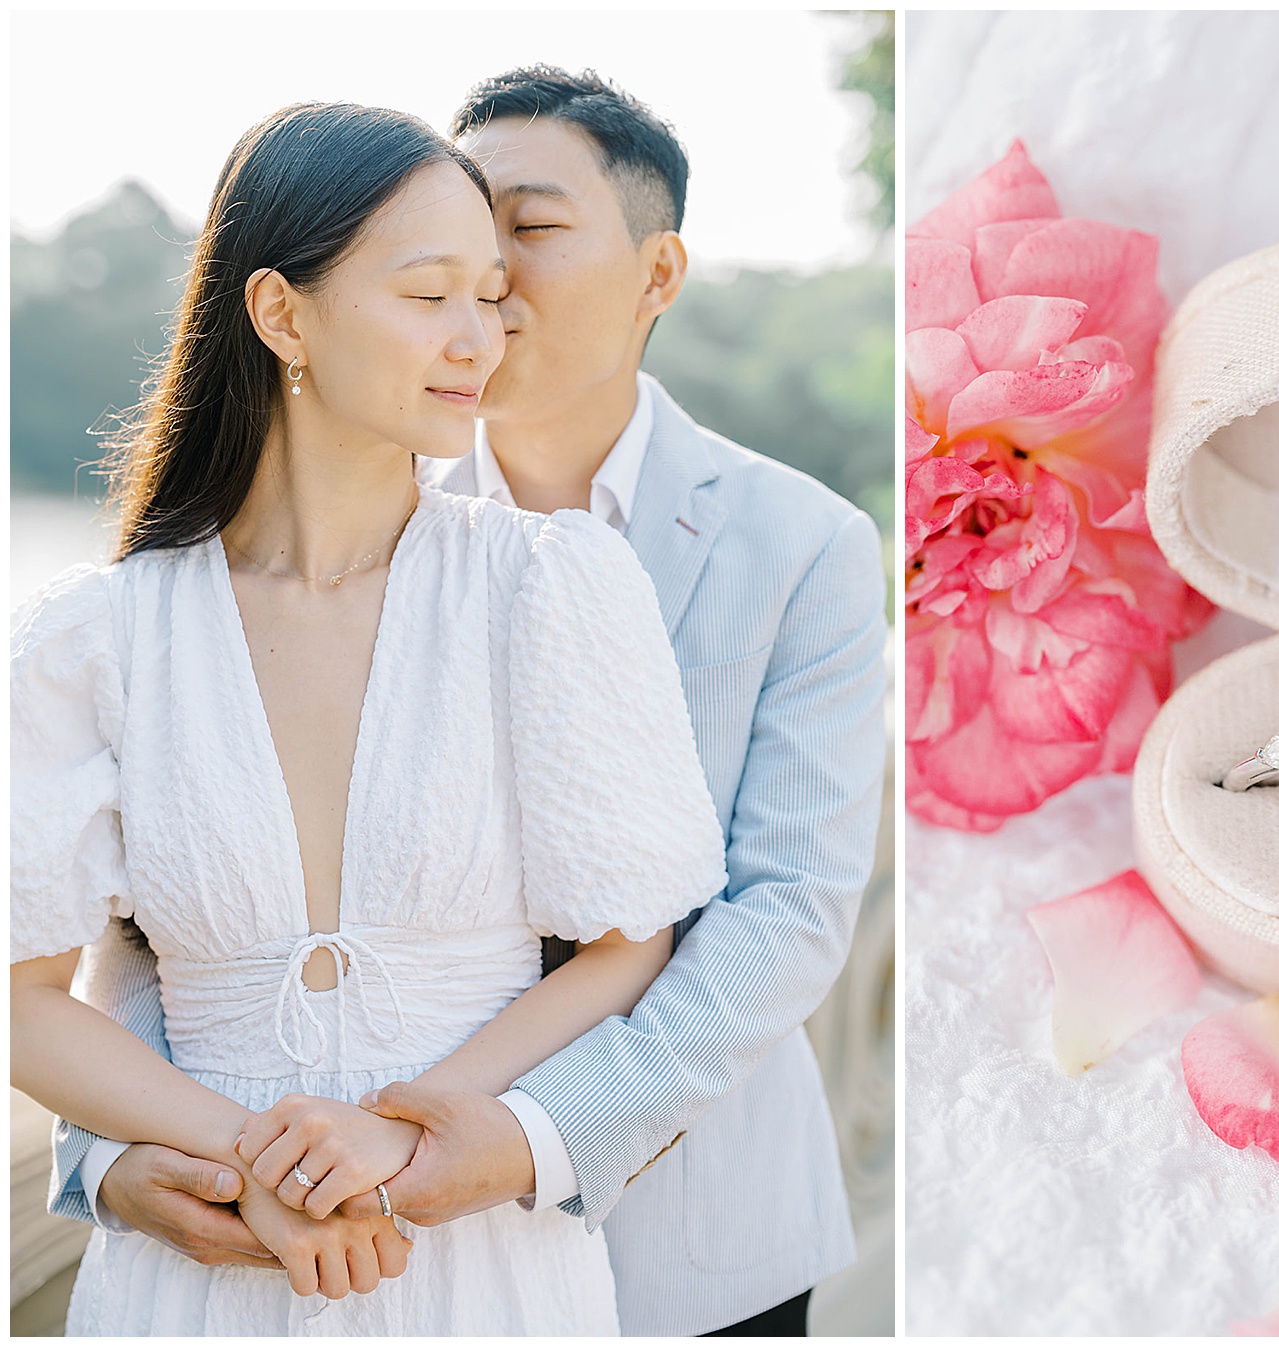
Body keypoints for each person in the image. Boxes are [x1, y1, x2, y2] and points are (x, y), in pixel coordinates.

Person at [45, 69, 890, 1337]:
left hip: (676, 1213)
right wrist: (118, 1155)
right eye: (446, 266)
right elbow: (161, 923)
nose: (489, 299)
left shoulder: (790, 542)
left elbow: (786, 911)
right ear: (288, 312)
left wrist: (509, 1137)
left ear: (658, 275)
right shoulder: (139, 615)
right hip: (259, 1228)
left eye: (521, 242)